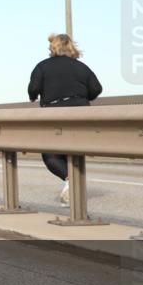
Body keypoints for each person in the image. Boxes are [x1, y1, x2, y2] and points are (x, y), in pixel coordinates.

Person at [28, 33, 102, 206]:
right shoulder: (82, 67)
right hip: (80, 115)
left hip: (55, 114)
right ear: (71, 47)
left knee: (50, 154)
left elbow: (33, 89)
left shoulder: (42, 66)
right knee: (74, 150)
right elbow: (96, 89)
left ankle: (70, 179)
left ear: (52, 47)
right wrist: (83, 97)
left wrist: (34, 96)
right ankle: (72, 183)